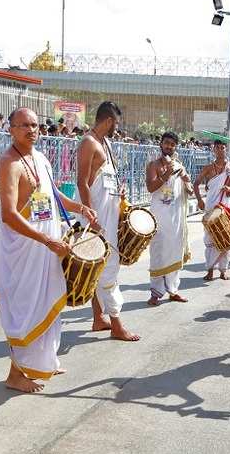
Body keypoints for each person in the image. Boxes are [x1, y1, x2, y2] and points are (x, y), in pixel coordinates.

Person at [0, 107, 97, 392]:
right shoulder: (9, 163)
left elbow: (52, 194)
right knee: (25, 309)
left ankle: (43, 361)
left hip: (47, 246)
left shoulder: (40, 158)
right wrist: (46, 241)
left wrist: (79, 206)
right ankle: (15, 374)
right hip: (26, 249)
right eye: (23, 125)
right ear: (10, 129)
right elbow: (9, 214)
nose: (31, 130)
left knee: (47, 302)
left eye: (35, 125)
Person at [77, 101, 140, 341]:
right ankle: (116, 323)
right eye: (117, 123)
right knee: (107, 268)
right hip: (95, 218)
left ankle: (98, 318)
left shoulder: (107, 144)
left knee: (99, 269)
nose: (118, 127)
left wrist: (119, 194)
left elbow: (105, 180)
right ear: (109, 121)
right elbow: (82, 181)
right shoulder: (88, 143)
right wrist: (90, 216)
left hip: (109, 216)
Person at [145, 132, 191, 306]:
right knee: (158, 252)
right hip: (160, 217)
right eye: (166, 143)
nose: (169, 147)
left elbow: (189, 189)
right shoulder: (153, 165)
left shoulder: (179, 165)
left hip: (176, 217)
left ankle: (173, 290)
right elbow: (150, 187)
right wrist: (166, 175)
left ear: (175, 147)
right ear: (161, 144)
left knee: (175, 251)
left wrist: (186, 181)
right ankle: (155, 293)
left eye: (172, 144)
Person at [194, 140, 230, 281]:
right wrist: (200, 200)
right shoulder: (208, 168)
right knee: (210, 238)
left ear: (226, 149)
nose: (220, 150)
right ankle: (210, 269)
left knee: (226, 235)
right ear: (214, 150)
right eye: (217, 148)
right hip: (211, 205)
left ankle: (223, 270)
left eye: (222, 147)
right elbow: (196, 183)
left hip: (227, 205)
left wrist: (228, 188)